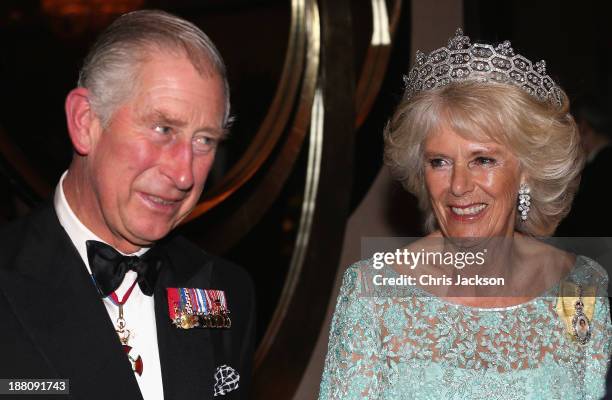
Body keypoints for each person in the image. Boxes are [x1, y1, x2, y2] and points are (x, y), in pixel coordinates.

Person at [319, 29, 611, 399]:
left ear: (527, 170)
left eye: (483, 159)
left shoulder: (580, 287)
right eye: (439, 162)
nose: (458, 186)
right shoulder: (373, 292)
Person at [0, 10, 254, 400]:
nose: (184, 174)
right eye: (163, 129)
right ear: (86, 121)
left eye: (204, 140)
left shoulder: (225, 290)